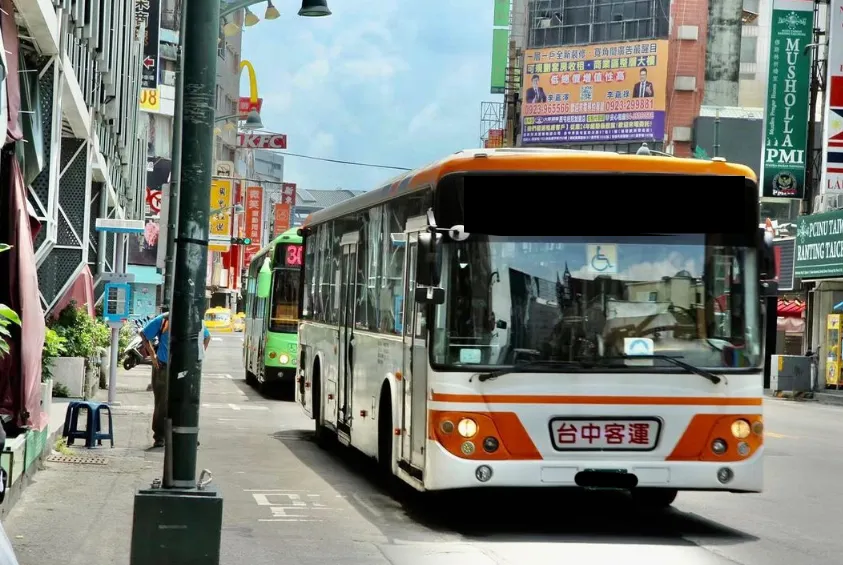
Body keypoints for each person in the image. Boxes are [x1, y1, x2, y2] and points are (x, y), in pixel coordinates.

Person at [140, 312, 211, 448]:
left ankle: (186, 433)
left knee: (185, 402)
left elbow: (207, 337)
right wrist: (153, 356)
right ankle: (160, 436)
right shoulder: (163, 320)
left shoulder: (192, 318)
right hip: (164, 367)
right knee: (162, 403)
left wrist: (197, 357)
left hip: (185, 368)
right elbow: (144, 334)